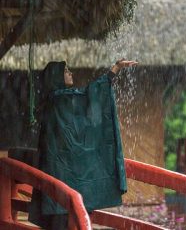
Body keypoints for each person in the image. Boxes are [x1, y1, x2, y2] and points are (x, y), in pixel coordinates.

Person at [29, 59, 138, 229]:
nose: (70, 73)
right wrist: (114, 69)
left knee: (65, 216)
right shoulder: (59, 100)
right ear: (56, 77)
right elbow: (89, 95)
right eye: (66, 71)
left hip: (58, 175)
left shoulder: (57, 100)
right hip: (58, 175)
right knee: (65, 219)